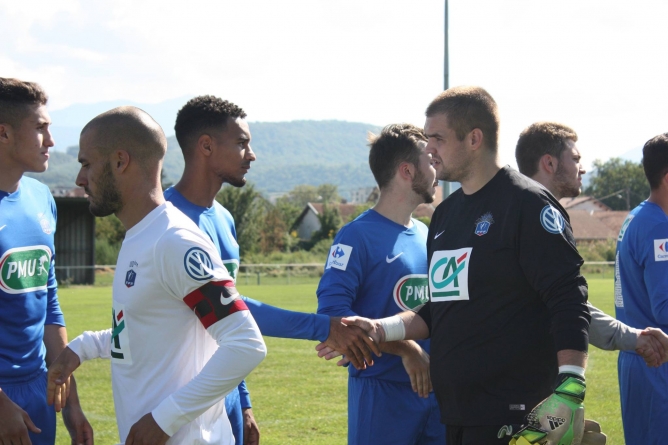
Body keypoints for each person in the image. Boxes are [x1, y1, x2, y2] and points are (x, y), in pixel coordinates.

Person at [338, 86, 591, 445]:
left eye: (438, 138)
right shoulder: (445, 215)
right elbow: (439, 309)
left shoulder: (527, 204)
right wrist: (380, 329)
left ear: (474, 138)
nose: (429, 148)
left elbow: (568, 298)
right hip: (456, 413)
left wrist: (570, 389)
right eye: (427, 139)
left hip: (516, 413)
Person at [46, 106, 267, 445]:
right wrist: (83, 347)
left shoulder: (174, 241)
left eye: (86, 164)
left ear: (120, 162)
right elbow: (146, 331)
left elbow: (246, 343)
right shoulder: (139, 236)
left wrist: (165, 419)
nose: (80, 178)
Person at [166, 95, 379, 444]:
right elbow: (229, 306)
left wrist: (244, 402)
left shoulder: (223, 219)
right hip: (181, 400)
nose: (251, 155)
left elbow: (230, 325)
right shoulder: (169, 222)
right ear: (205, 146)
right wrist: (323, 326)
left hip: (226, 396)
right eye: (241, 144)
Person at [316, 123, 445, 445]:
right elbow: (333, 316)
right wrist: (406, 349)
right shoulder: (356, 236)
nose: (437, 169)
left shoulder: (430, 235)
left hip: (438, 395)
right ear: (406, 170)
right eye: (430, 160)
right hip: (381, 393)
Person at [515, 121, 664, 365]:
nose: (582, 169)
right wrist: (636, 339)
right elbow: (570, 304)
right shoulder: (539, 218)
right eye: (575, 158)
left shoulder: (517, 210)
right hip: (522, 385)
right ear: (549, 163)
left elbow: (570, 301)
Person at [0, 77, 92, 445]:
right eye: (40, 129)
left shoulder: (41, 198)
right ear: (3, 133)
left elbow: (49, 304)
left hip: (39, 390)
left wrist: (70, 401)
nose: (51, 141)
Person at [613, 132, 668, 445]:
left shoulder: (636, 216)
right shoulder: (660, 225)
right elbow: (664, 306)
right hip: (657, 359)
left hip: (637, 355)